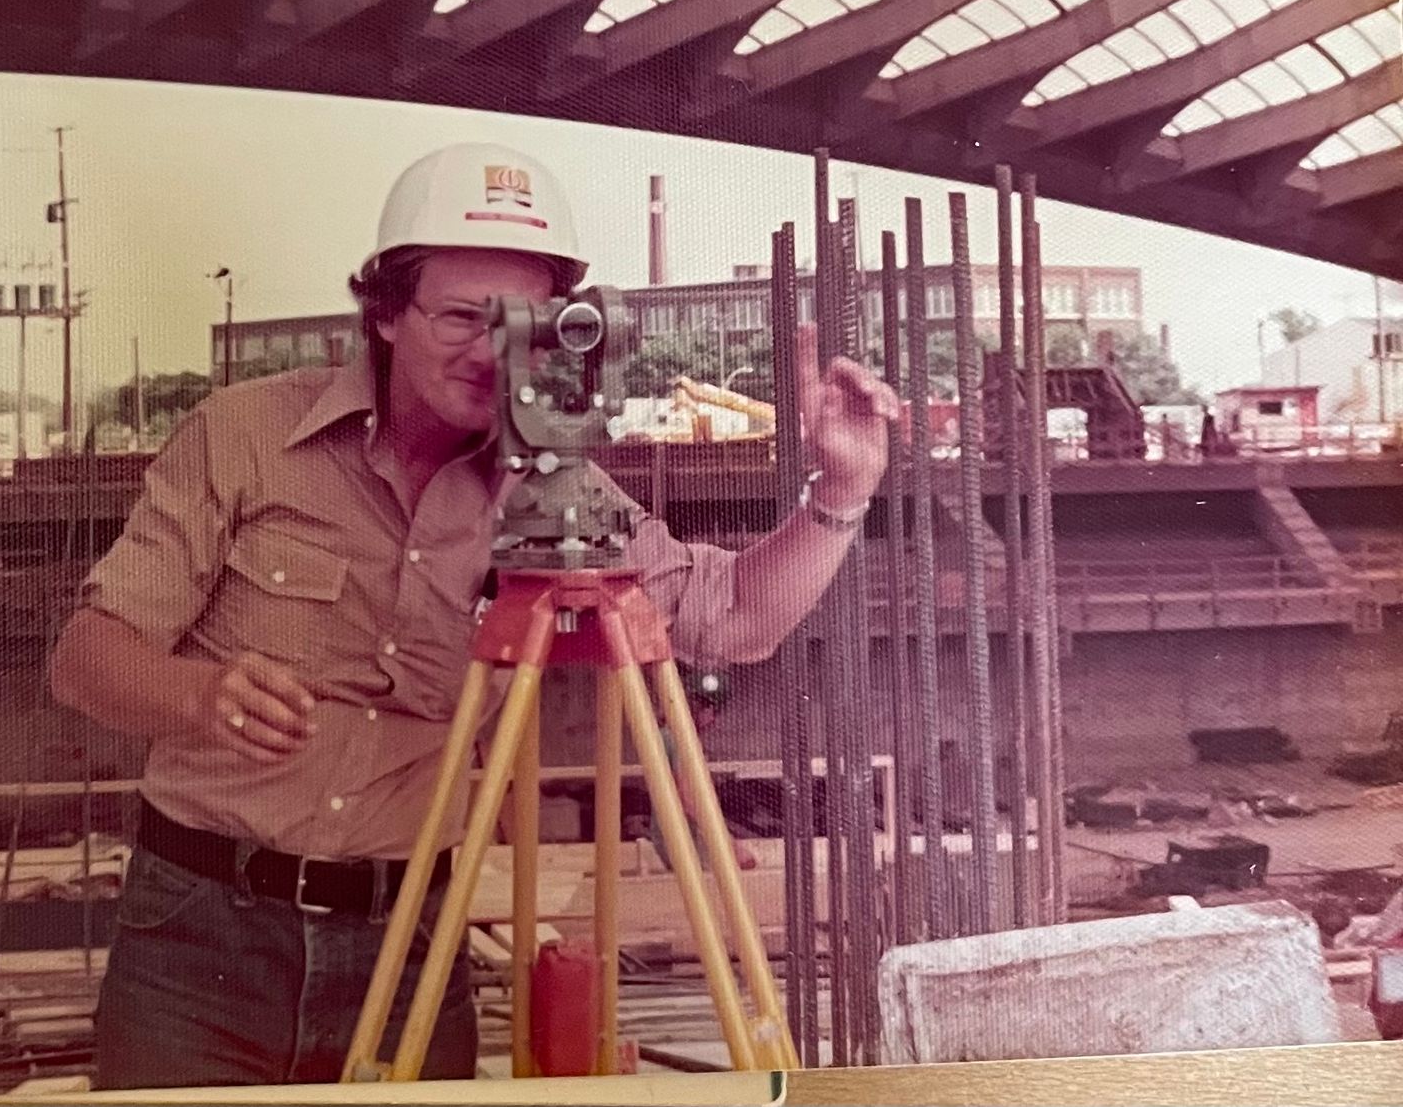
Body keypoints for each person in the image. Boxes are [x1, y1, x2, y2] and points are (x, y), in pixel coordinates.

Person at [49, 142, 901, 1088]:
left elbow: (738, 617)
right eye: (461, 316)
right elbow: (87, 660)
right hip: (199, 938)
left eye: (523, 321)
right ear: (381, 313)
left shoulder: (552, 489)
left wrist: (843, 489)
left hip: (412, 942)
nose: (490, 348)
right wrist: (197, 695)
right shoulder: (242, 436)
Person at [648, 664, 759, 875]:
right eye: (710, 708)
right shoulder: (678, 739)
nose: (712, 717)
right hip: (684, 836)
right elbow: (687, 798)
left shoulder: (666, 736)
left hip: (674, 833)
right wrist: (729, 844)